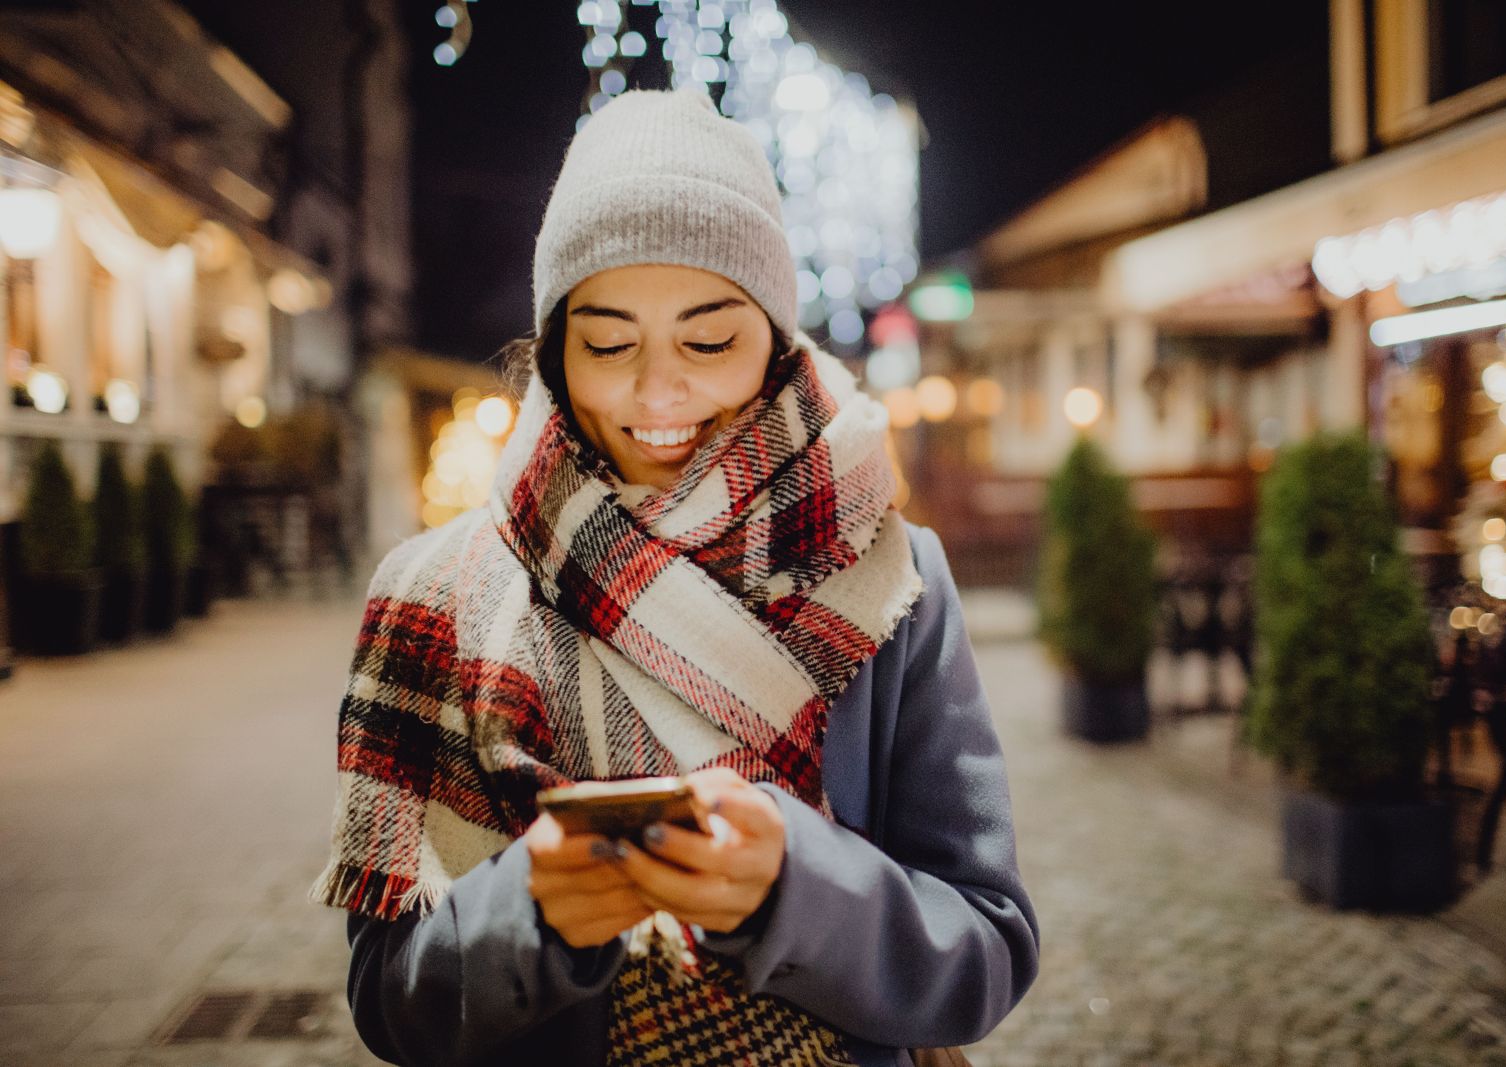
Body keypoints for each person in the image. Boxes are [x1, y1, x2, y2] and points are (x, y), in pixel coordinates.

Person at [312, 87, 1039, 1067]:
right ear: (557, 353)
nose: (658, 392)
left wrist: (793, 890)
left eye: (709, 339)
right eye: (608, 343)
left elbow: (984, 949)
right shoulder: (438, 593)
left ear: (778, 342)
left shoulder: (888, 575)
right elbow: (389, 1001)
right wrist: (528, 912)